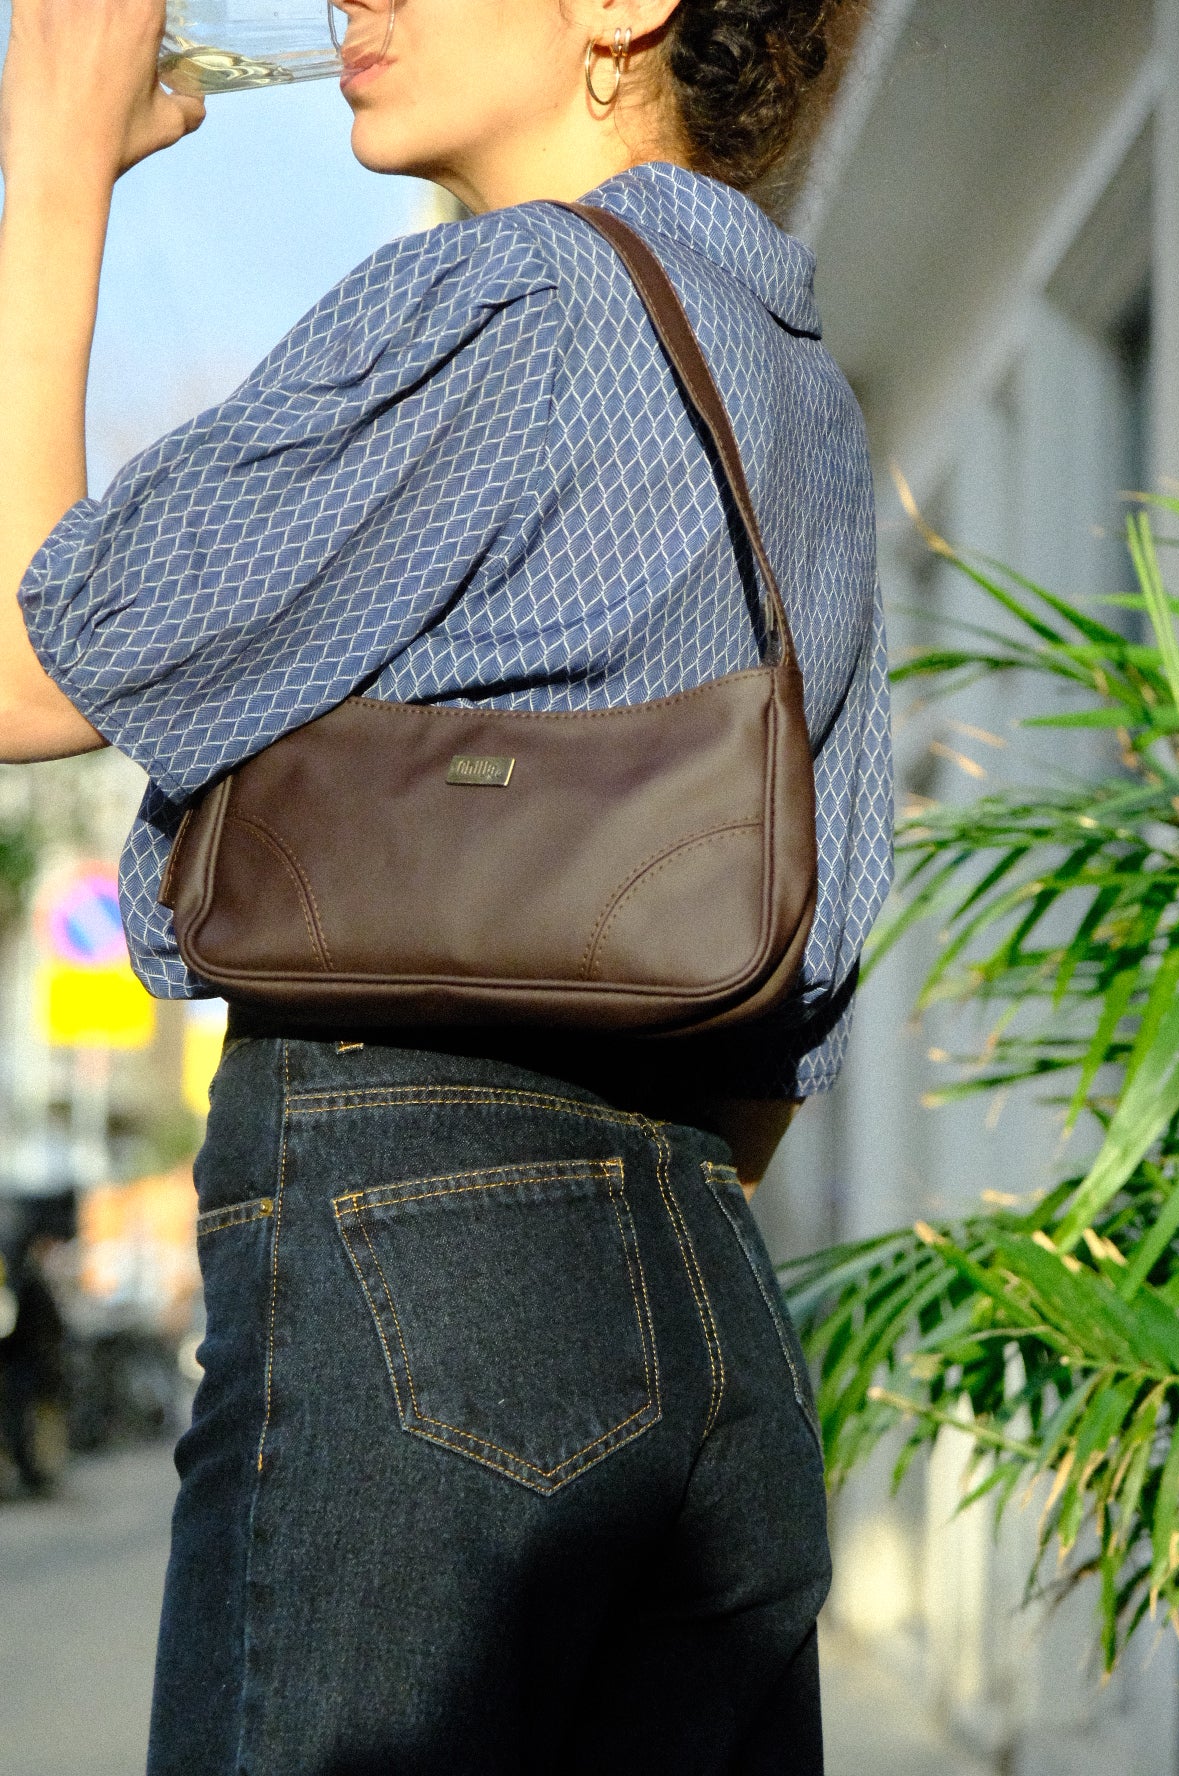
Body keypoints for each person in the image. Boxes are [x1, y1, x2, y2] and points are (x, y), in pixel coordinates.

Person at [0, 0, 892, 1767]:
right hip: (715, 1300)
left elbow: (33, 671)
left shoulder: (508, 298)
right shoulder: (794, 379)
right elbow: (802, 973)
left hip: (414, 1255)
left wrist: (48, 171)